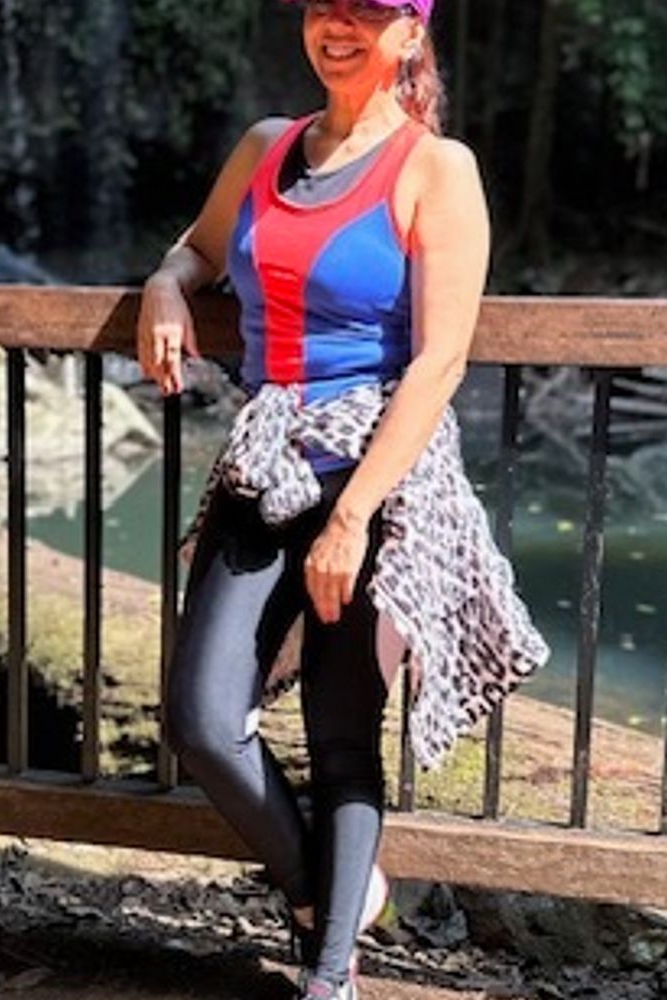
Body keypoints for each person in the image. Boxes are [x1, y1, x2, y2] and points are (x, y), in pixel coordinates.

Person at [135, 1, 549, 997]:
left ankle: (330, 977)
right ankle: (329, 896)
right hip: (268, 457)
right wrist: (164, 284)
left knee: (341, 734)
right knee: (202, 719)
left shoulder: (437, 169)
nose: (337, 26)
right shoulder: (266, 147)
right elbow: (199, 248)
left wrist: (356, 516)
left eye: (366, 11)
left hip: (381, 477)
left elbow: (440, 359)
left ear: (409, 33)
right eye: (325, 6)